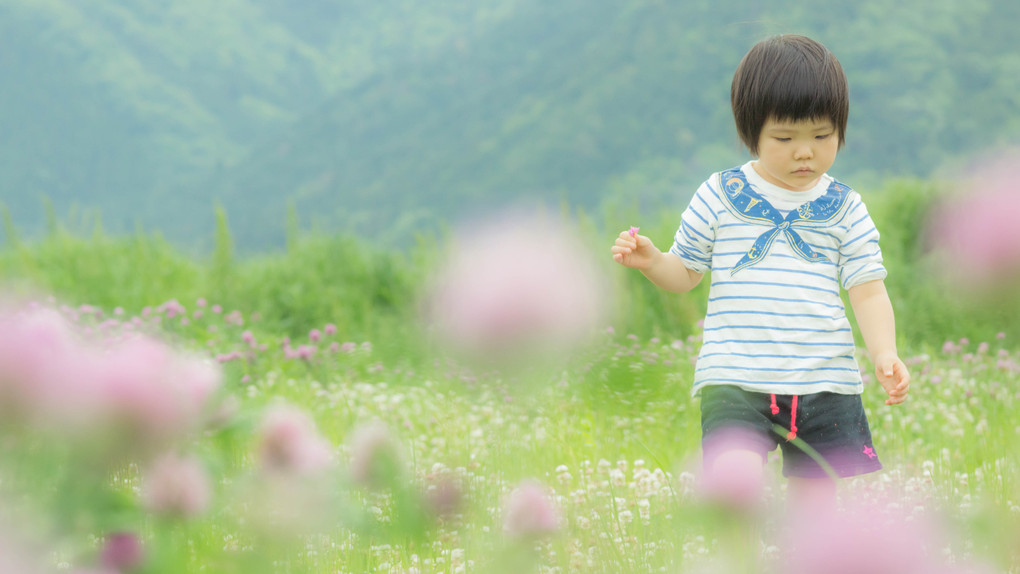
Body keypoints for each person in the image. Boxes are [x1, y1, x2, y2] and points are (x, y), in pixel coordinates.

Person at [610, 34, 910, 509]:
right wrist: (652, 263)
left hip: (824, 379)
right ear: (752, 133)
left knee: (817, 511)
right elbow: (686, 272)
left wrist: (884, 351)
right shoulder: (720, 194)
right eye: (785, 139)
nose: (805, 153)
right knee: (734, 499)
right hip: (733, 377)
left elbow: (868, 291)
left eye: (822, 136)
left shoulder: (845, 207)